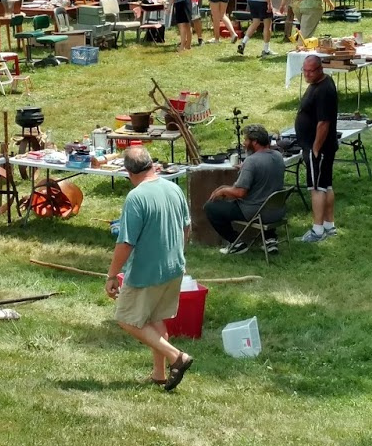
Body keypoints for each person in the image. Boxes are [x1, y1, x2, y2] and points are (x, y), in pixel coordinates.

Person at [107, 145, 194, 392]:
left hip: (147, 273)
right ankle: (159, 374)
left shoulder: (136, 197)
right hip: (174, 267)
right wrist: (178, 253)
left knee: (126, 318)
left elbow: (125, 242)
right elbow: (186, 227)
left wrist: (112, 275)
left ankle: (176, 356)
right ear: (151, 165)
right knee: (155, 319)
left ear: (128, 172)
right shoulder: (174, 188)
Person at [204, 125, 286, 256]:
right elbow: (264, 170)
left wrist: (223, 190)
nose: (244, 143)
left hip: (257, 212)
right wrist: (246, 168)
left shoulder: (251, 161)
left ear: (254, 142)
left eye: (246, 140)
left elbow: (240, 193)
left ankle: (236, 243)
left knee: (211, 207)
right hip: (277, 211)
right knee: (265, 194)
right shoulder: (277, 156)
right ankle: (270, 239)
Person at [297, 54, 340, 242]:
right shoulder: (320, 83)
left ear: (320, 69)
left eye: (310, 71)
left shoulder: (324, 90)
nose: (306, 74)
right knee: (326, 185)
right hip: (323, 148)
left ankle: (317, 231)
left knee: (316, 188)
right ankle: (329, 226)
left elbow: (324, 123)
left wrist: (315, 149)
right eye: (304, 71)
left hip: (319, 149)